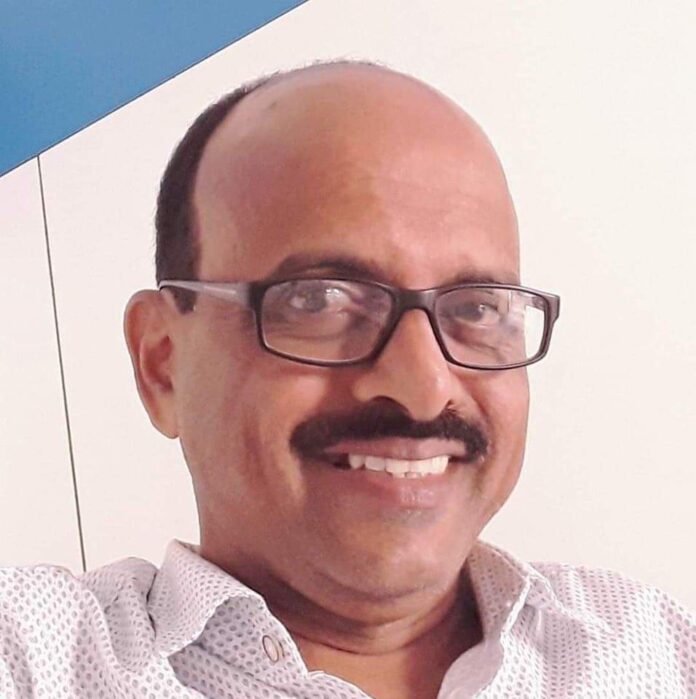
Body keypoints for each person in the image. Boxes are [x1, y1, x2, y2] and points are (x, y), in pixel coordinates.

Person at [0, 61, 693, 699]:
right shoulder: (36, 657)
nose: (424, 388)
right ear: (162, 363)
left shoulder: (656, 649)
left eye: (477, 308)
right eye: (319, 300)